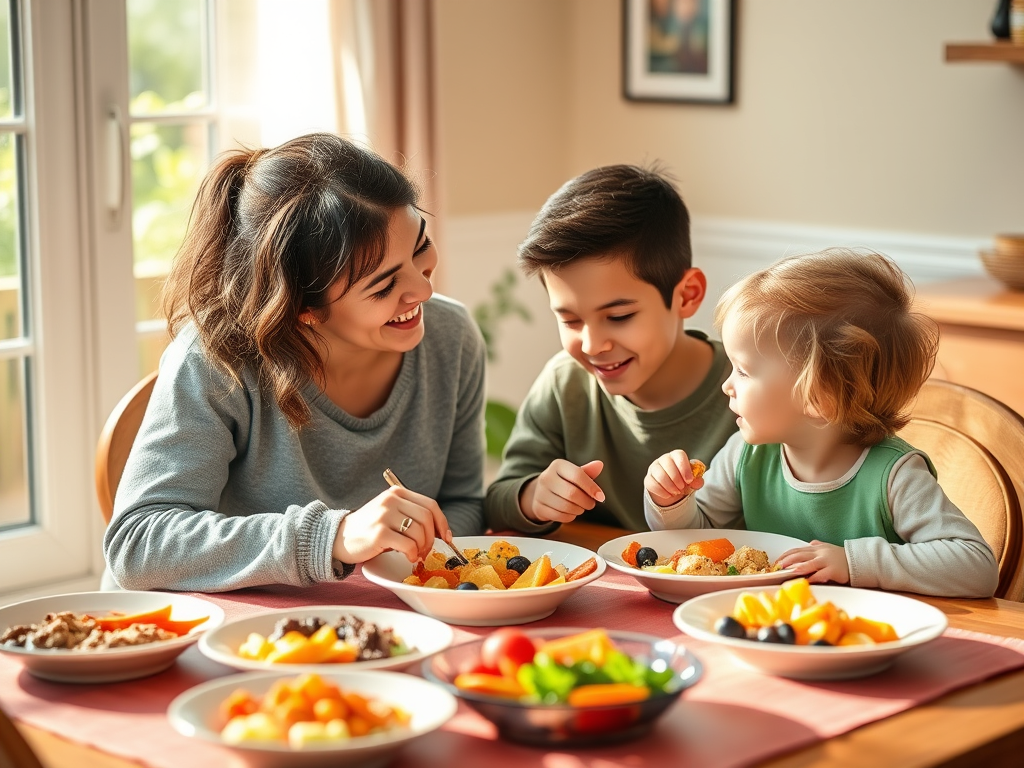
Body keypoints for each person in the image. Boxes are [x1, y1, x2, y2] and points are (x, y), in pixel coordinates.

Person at [104, 133, 486, 593]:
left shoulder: (451, 336)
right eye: (384, 286)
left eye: (420, 249)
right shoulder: (216, 362)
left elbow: (462, 501)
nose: (423, 291)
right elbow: (139, 544)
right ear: (303, 308)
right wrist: (334, 538)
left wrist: (399, 562)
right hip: (231, 634)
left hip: (372, 623)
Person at [644, 249, 998, 597]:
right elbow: (696, 543)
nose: (727, 385)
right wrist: (672, 503)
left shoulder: (894, 476)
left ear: (818, 398)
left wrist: (852, 562)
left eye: (744, 371)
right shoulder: (746, 454)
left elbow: (976, 567)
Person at [484, 164, 738, 535]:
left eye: (619, 316)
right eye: (570, 320)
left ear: (687, 296)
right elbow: (498, 500)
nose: (592, 345)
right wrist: (534, 496)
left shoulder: (748, 388)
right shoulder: (564, 383)